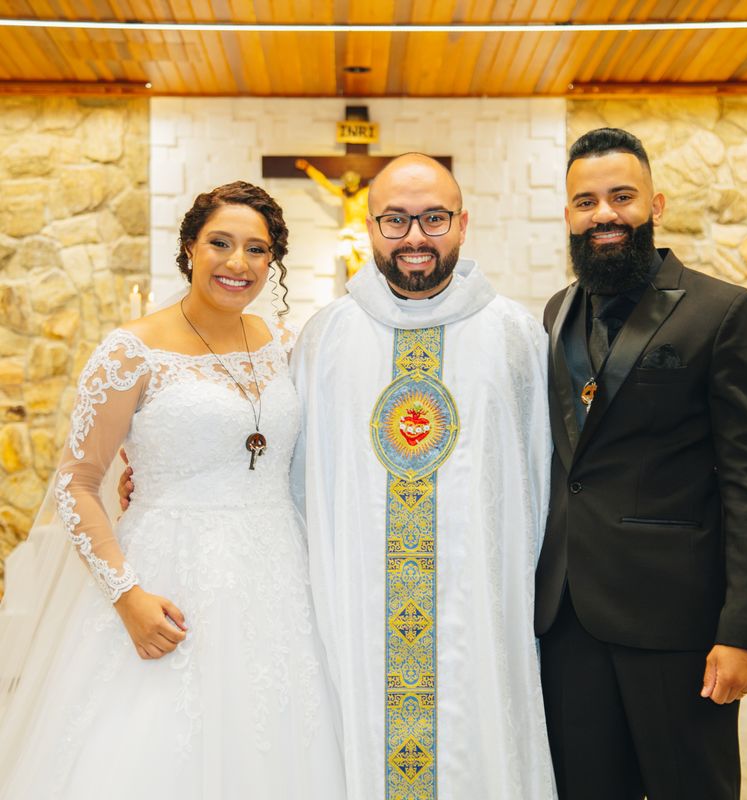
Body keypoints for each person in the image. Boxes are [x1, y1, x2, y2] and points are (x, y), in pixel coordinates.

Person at [0, 182, 345, 799]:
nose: (238, 263)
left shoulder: (283, 346)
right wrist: (125, 594)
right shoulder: (132, 350)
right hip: (170, 576)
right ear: (190, 247)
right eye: (221, 243)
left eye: (256, 250)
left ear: (273, 262)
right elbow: (78, 483)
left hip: (280, 578)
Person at [290, 153, 557, 798]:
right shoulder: (326, 336)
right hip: (357, 605)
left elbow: (545, 474)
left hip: (481, 606)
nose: (415, 237)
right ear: (371, 227)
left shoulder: (516, 335)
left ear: (463, 224)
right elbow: (288, 471)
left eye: (433, 218)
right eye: (396, 220)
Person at [535, 127, 747, 800]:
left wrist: (745, 630)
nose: (604, 214)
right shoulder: (557, 312)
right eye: (585, 202)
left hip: (676, 622)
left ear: (656, 203)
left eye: (622, 196)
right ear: (568, 215)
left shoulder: (723, 311)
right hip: (568, 620)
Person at [295, 158, 371, 277]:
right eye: (348, 185)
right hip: (348, 232)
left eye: (352, 185)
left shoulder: (366, 192)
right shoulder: (343, 193)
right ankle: (353, 285)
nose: (350, 188)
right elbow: (324, 183)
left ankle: (362, 287)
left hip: (363, 233)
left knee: (365, 266)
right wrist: (308, 168)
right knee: (350, 264)